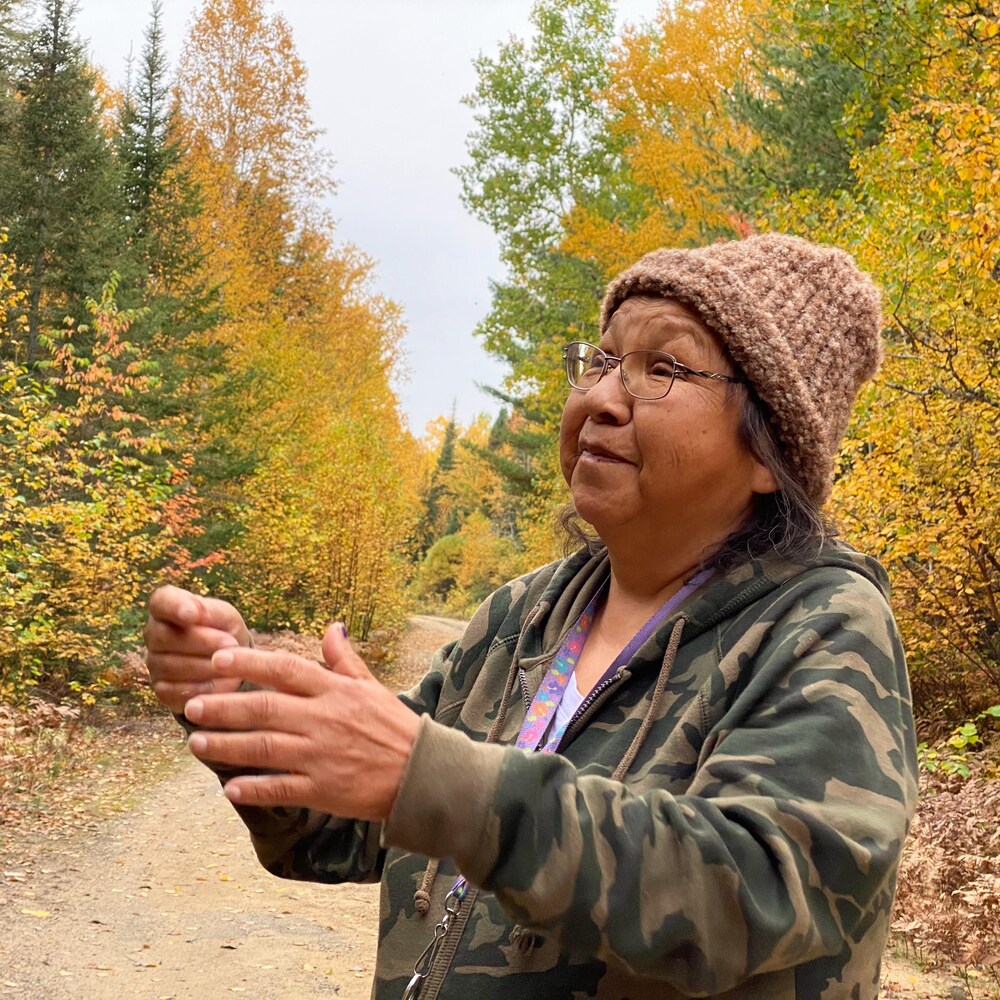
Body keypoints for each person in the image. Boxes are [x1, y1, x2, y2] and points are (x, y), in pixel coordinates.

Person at [145, 233, 918, 1000]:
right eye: (604, 360)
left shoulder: (822, 626)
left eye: (664, 368)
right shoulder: (523, 616)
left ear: (767, 448)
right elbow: (340, 828)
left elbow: (752, 896)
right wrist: (236, 703)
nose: (603, 398)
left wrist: (440, 781)